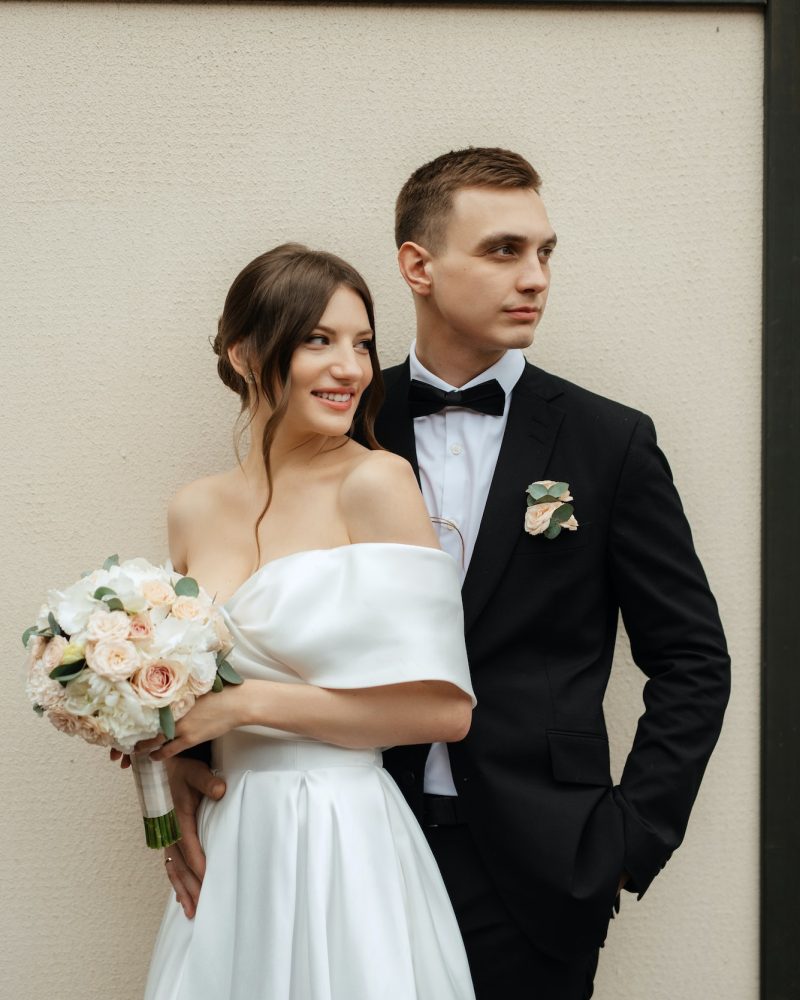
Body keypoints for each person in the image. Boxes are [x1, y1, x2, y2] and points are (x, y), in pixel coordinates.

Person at [165, 149, 731, 999]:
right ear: (417, 266)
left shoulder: (609, 443)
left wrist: (625, 842)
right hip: (339, 849)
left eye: (545, 253)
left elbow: (692, 659)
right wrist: (184, 761)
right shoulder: (343, 419)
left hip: (540, 865)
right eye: (504, 250)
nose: (534, 277)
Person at [127, 243, 477, 1000]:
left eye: (362, 343)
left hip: (344, 837)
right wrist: (167, 777)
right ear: (245, 354)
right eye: (319, 340)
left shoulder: (376, 482)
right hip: (231, 841)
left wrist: (252, 703)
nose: (351, 368)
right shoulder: (194, 507)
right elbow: (168, 697)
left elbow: (443, 711)